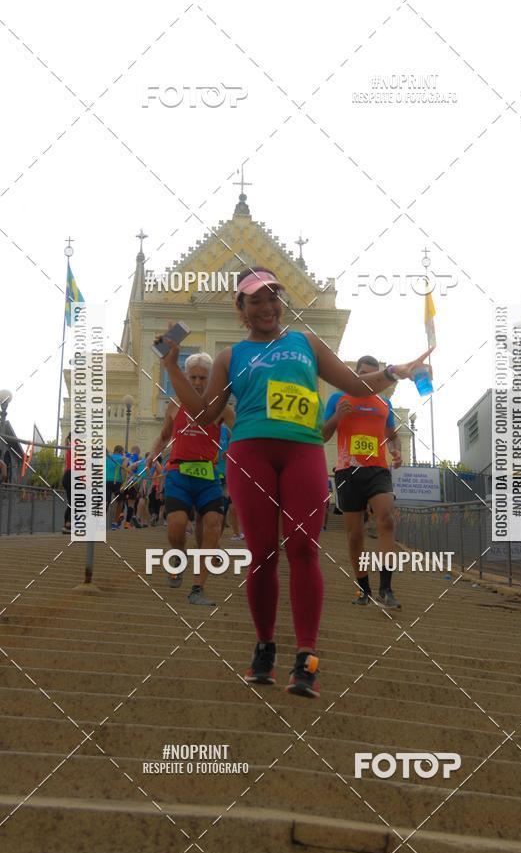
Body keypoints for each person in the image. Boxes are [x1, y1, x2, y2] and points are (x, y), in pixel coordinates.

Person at [159, 267, 431, 699]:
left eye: (273, 297)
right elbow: (205, 414)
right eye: (256, 300)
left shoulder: (306, 342)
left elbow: (358, 385)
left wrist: (396, 371)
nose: (267, 306)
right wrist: (171, 366)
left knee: (304, 547)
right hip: (251, 453)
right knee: (263, 553)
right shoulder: (231, 356)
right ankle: (264, 646)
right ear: (242, 309)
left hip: (303, 450)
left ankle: (307, 657)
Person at [150, 353, 234, 606]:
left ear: (210, 381)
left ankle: (198, 588)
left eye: (203, 378)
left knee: (212, 525)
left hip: (208, 476)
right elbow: (164, 436)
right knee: (176, 526)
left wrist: (238, 448)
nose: (197, 382)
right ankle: (178, 553)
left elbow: (242, 429)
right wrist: (153, 453)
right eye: (193, 377)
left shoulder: (220, 407)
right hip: (178, 473)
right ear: (186, 377)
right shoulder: (175, 405)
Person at [323, 355, 405, 609]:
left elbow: (392, 435)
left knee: (387, 519)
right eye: (361, 374)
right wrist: (336, 417)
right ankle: (364, 590)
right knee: (355, 535)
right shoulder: (338, 398)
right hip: (348, 471)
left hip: (378, 470)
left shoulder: (384, 403)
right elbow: (322, 434)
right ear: (355, 375)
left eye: (372, 374)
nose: (366, 379)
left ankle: (386, 589)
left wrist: (396, 450)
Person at [105, 445, 127, 528]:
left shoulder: (107, 457)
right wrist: (124, 482)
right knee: (120, 501)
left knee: (106, 501)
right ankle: (115, 522)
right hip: (117, 481)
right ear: (122, 451)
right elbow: (123, 469)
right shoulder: (123, 458)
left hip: (106, 481)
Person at [62, 433, 72, 534]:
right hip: (72, 475)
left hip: (67, 475)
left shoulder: (68, 447)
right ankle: (68, 524)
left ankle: (66, 525)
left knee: (71, 502)